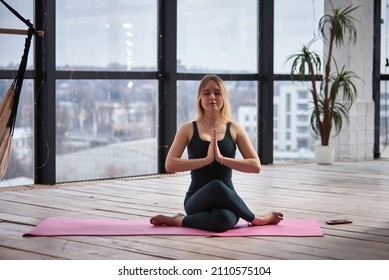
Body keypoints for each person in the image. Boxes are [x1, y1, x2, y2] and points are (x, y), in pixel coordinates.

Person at [150, 74, 283, 232]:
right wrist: (206, 160)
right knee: (216, 185)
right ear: (200, 98)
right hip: (196, 200)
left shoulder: (234, 128)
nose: (212, 96)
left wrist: (220, 159)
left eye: (217, 93)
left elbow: (255, 166)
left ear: (224, 97)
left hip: (228, 199)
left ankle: (179, 220)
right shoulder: (187, 129)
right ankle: (258, 219)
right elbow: (170, 164)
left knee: (223, 220)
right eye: (206, 93)